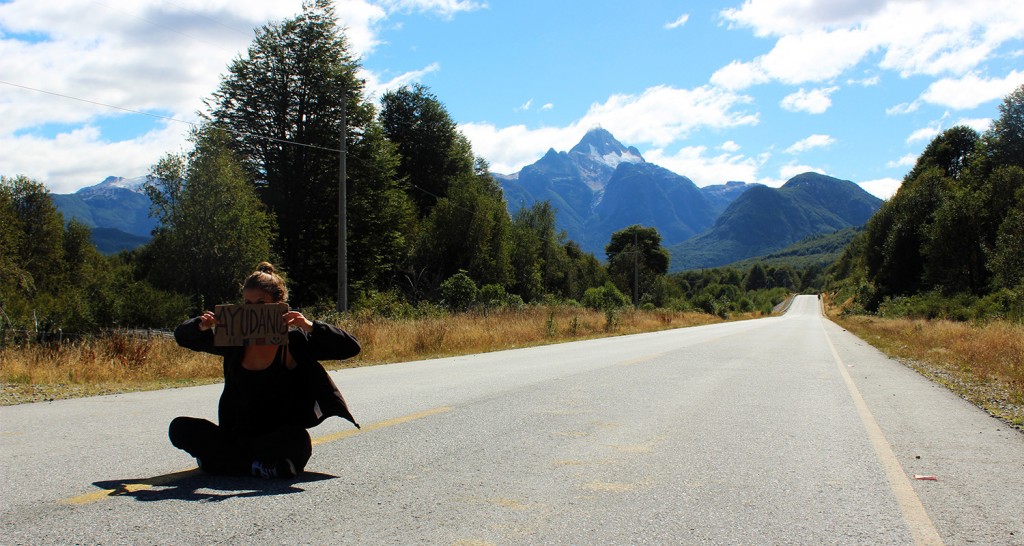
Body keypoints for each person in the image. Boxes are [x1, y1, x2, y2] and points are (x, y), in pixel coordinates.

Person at [168, 262, 361, 479]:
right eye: (247, 304)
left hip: (276, 437)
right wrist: (200, 325)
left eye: (261, 303)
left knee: (298, 442)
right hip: (237, 434)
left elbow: (351, 347)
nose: (253, 310)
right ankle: (255, 466)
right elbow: (182, 337)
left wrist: (310, 326)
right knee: (179, 428)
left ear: (278, 304)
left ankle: (222, 462)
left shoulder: (294, 341)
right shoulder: (234, 340)